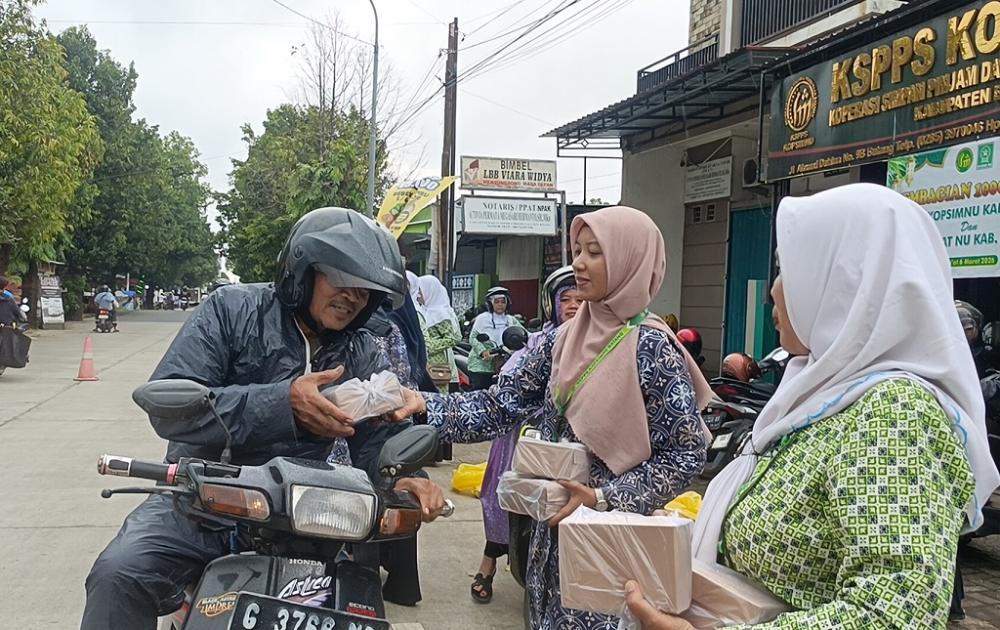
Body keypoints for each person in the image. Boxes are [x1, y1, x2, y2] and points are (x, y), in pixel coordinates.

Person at [624, 184, 1000, 629]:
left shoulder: (894, 414)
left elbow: (894, 615)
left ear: (845, 281)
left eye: (787, 270)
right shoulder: (813, 393)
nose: (773, 293)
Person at [80, 207, 448, 629]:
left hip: (303, 515)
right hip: (200, 503)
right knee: (119, 574)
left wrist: (400, 476)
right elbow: (172, 409)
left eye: (364, 290)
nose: (352, 297)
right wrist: (282, 403)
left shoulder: (359, 350)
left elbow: (372, 442)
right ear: (303, 271)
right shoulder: (231, 310)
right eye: (341, 280)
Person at [390, 205, 713, 628]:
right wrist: (425, 405)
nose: (578, 262)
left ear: (630, 260)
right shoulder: (560, 340)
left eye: (594, 252)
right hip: (552, 537)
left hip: (614, 542)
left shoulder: (652, 348)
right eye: (577, 250)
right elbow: (499, 406)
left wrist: (603, 497)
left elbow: (687, 453)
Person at [471, 265, 583, 604]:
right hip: (524, 438)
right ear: (552, 304)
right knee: (503, 498)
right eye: (567, 299)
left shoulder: (606, 342)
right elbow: (509, 387)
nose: (575, 306)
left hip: (576, 448)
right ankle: (487, 565)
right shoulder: (537, 342)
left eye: (581, 299)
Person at [467, 286, 522, 390]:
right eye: (496, 302)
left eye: (503, 302)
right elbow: (473, 338)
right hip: (481, 366)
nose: (500, 305)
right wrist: (483, 351)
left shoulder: (511, 320)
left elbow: (523, 334)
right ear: (490, 304)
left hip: (502, 365)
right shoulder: (482, 319)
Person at [416, 274, 460, 395]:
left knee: (437, 396)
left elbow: (452, 338)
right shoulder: (425, 311)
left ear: (430, 291)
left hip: (438, 363)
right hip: (427, 361)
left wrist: (429, 346)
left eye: (421, 290)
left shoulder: (440, 313)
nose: (418, 295)